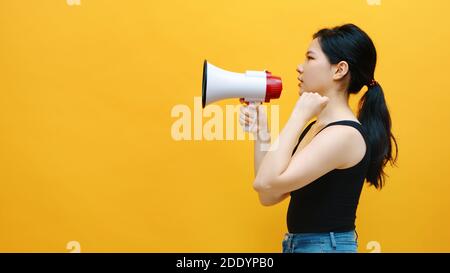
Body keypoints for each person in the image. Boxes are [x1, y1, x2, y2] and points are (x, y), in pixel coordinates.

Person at [239, 24, 398, 253]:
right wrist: (261, 131)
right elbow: (268, 194)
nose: (299, 67)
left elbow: (265, 182)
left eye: (310, 58)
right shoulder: (318, 129)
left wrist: (299, 115)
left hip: (324, 248)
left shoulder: (344, 135)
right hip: (305, 246)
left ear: (339, 70)